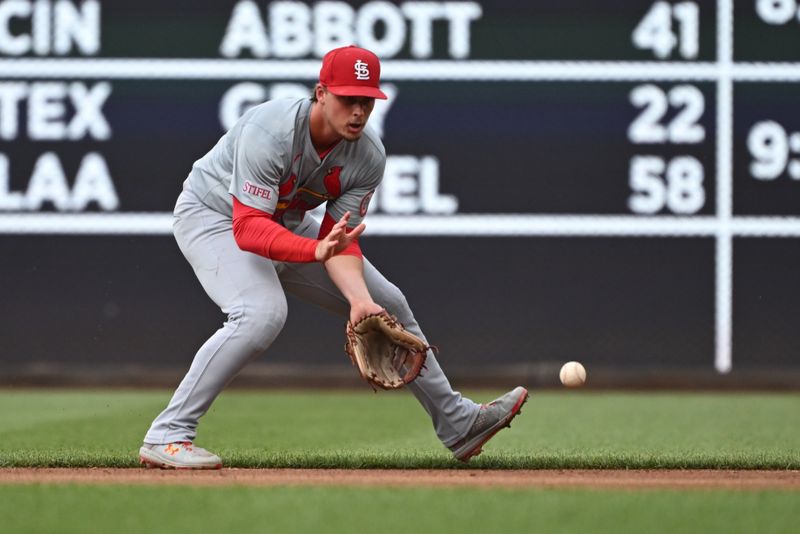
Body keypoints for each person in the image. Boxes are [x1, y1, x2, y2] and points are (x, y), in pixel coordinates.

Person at [139, 45, 528, 469]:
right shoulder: (271, 132)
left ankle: (459, 424)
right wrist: (313, 249)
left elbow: (338, 242)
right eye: (348, 99)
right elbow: (248, 227)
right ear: (321, 93)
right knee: (260, 313)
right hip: (213, 215)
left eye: (367, 101)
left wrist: (359, 300)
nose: (358, 111)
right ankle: (168, 434)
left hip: (285, 222)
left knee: (388, 303)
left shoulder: (367, 156)